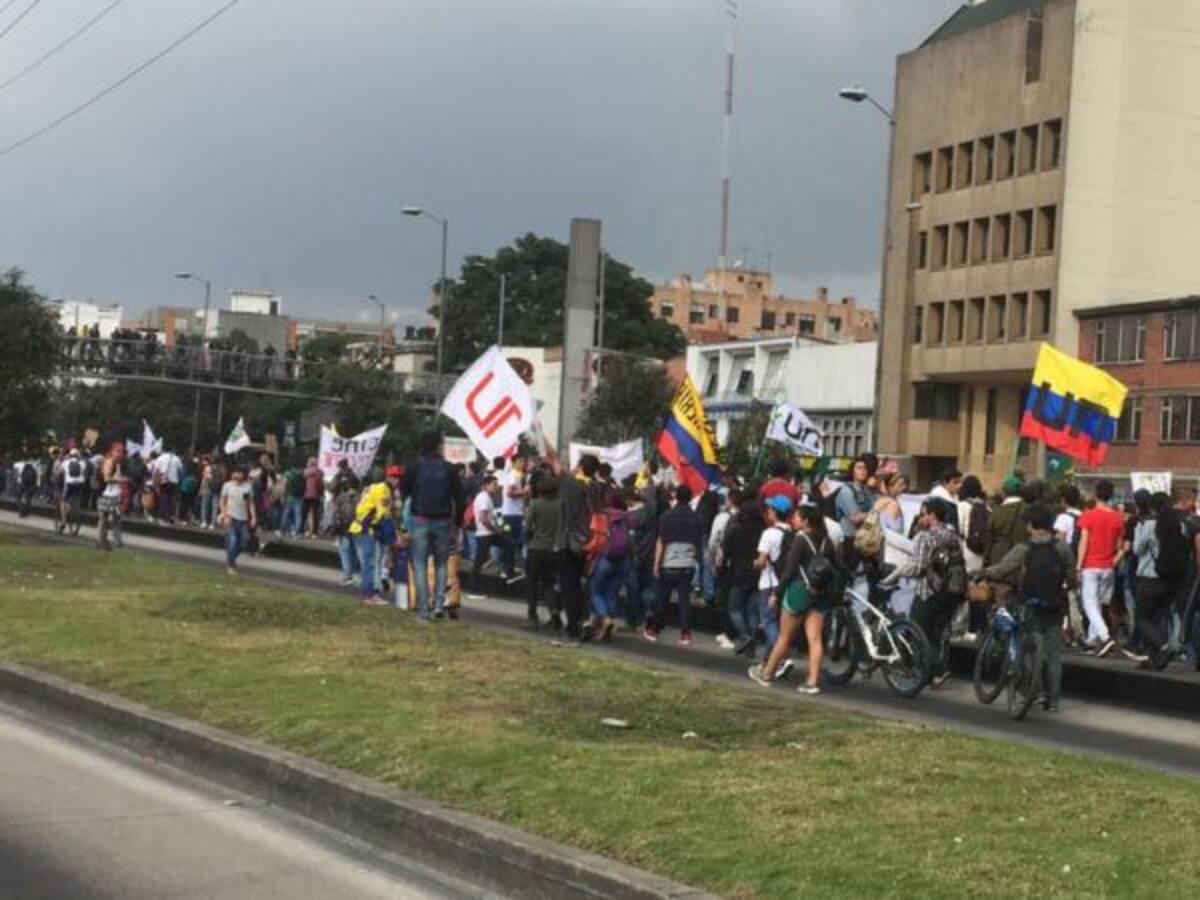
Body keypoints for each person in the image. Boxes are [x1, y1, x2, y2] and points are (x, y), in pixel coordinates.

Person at [978, 503, 1074, 711]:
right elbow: (1072, 576)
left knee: (1027, 648)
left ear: (1031, 525)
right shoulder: (1062, 548)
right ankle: (1054, 700)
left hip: (1029, 604)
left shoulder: (1024, 548)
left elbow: (1002, 569)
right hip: (1055, 606)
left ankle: (1033, 691)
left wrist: (984, 572)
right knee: (1054, 653)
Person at [749, 504, 840, 694]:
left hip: (799, 592)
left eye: (797, 517)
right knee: (815, 640)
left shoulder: (800, 540)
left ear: (806, 521)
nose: (794, 520)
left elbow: (790, 570)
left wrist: (777, 593)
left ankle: (767, 673)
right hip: (820, 595)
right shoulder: (827, 542)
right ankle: (813, 681)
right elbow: (837, 567)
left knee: (784, 637)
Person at [887, 499, 965, 687]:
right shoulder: (953, 535)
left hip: (927, 591)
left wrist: (895, 574)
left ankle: (939, 668)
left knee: (917, 631)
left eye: (923, 514)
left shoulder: (925, 537)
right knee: (934, 635)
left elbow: (918, 567)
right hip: (951, 592)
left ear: (932, 515)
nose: (921, 518)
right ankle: (929, 675)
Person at [400, 430, 467, 620]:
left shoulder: (414, 466)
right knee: (440, 563)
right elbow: (460, 499)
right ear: (439, 445)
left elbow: (403, 491)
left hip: (419, 519)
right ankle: (439, 604)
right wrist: (458, 523)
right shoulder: (449, 468)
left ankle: (423, 610)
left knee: (420, 565)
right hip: (443, 520)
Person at [644, 485, 705, 646]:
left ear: (676, 497)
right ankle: (685, 633)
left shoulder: (666, 517)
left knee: (662, 598)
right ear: (690, 498)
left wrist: (656, 564)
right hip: (688, 564)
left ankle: (655, 629)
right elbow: (699, 543)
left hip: (669, 562)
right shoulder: (697, 518)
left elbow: (661, 542)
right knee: (684, 600)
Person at [1133, 492, 1188, 670]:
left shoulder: (1149, 525)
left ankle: (1164, 647)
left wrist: (1138, 529)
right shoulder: (1179, 524)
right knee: (1156, 619)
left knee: (1141, 618)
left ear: (1152, 506)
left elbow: (1137, 550)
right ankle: (1155, 660)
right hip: (1171, 580)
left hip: (1149, 578)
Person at [1075, 479, 1123, 658]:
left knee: (1089, 603)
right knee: (1097, 603)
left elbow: (1083, 541)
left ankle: (1104, 636)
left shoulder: (1088, 515)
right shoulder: (1117, 518)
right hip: (1108, 566)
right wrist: (1113, 561)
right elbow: (1119, 546)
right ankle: (1091, 640)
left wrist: (1078, 565)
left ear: (1096, 494)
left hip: (1090, 565)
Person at [750, 494, 796, 673]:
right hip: (785, 582)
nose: (767, 511)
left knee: (769, 622)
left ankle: (782, 658)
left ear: (775, 512)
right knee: (777, 623)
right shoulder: (792, 533)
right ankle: (767, 661)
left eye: (770, 508)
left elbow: (761, 562)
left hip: (768, 582)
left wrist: (755, 563)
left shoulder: (768, 533)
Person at [555, 453, 598, 640]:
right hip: (588, 542)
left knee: (569, 586)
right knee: (582, 585)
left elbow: (555, 464)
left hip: (569, 541)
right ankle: (586, 620)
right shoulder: (596, 487)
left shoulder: (572, 485)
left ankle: (574, 627)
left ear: (580, 467)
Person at [721, 488, 765, 655]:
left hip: (739, 572)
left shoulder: (735, 529)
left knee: (734, 608)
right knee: (752, 612)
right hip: (756, 574)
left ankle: (745, 636)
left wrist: (721, 568)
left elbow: (725, 552)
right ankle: (751, 648)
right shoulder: (762, 532)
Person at [349, 469, 400, 607]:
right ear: (387, 477)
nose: (397, 480)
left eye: (399, 477)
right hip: (365, 529)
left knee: (368, 563)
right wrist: (393, 539)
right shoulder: (383, 490)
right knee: (369, 564)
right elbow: (384, 516)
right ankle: (369, 596)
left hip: (360, 528)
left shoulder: (376, 487)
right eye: (394, 477)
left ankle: (369, 594)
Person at [588, 491, 631, 641]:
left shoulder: (602, 515)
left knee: (597, 592)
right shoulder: (626, 516)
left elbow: (596, 538)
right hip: (623, 560)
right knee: (612, 593)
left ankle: (606, 619)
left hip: (606, 558)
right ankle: (609, 625)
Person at [524, 472, 562, 629]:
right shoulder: (561, 505)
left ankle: (532, 616)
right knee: (549, 583)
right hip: (554, 549)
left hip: (536, 547)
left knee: (532, 583)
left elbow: (527, 527)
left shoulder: (535, 504)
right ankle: (555, 614)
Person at [984, 474, 1027, 609]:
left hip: (999, 558)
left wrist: (986, 561)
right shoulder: (1028, 510)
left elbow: (989, 539)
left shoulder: (997, 513)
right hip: (1023, 560)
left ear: (1004, 492)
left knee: (1000, 601)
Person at [835, 456, 876, 568]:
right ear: (852, 471)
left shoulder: (867, 490)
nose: (863, 470)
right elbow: (855, 518)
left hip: (866, 539)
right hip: (850, 540)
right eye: (859, 468)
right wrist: (873, 514)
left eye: (865, 468)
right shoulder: (846, 491)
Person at [219, 467, 256, 574]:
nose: (237, 475)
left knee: (244, 542)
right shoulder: (227, 486)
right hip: (231, 517)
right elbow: (222, 501)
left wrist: (253, 517)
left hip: (243, 518)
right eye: (235, 472)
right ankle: (231, 564)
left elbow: (250, 503)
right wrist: (225, 515)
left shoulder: (247, 487)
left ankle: (231, 558)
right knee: (233, 541)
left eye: (239, 473)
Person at [470, 474, 503, 586]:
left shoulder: (487, 497)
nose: (496, 487)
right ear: (485, 486)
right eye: (494, 484)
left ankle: (507, 570)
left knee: (508, 545)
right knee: (479, 560)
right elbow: (483, 519)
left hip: (489, 533)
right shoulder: (483, 497)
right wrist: (495, 529)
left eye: (497, 484)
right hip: (485, 534)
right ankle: (473, 586)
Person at [96, 442, 128, 551]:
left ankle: (111, 542)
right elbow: (106, 478)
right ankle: (104, 542)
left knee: (114, 520)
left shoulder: (118, 463)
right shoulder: (109, 462)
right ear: (112, 451)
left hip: (115, 494)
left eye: (121, 451)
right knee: (106, 520)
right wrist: (121, 479)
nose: (120, 454)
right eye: (117, 451)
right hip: (108, 495)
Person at [331, 472, 361, 586]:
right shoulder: (360, 497)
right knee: (356, 552)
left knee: (344, 552)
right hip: (357, 527)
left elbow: (335, 512)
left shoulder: (341, 496)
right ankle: (357, 574)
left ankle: (347, 576)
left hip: (343, 528)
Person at [57, 449, 87, 532]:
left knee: (63, 501)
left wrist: (57, 477)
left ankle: (63, 522)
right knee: (76, 499)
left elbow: (59, 472)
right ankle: (74, 509)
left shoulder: (65, 462)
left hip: (69, 484)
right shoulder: (82, 463)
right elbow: (84, 473)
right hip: (80, 484)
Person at [301, 457, 323, 538]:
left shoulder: (305, 472)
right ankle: (314, 532)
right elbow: (321, 483)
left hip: (306, 495)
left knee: (304, 514)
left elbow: (302, 481)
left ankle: (303, 531)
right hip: (316, 495)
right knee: (315, 514)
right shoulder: (319, 472)